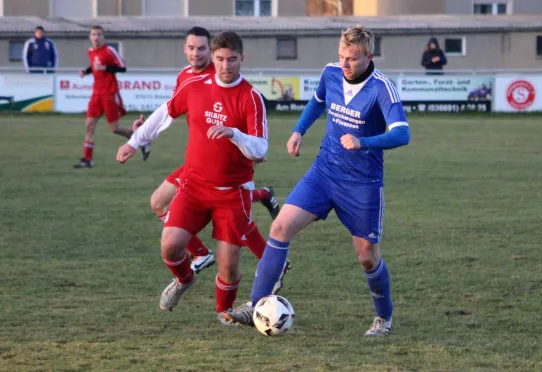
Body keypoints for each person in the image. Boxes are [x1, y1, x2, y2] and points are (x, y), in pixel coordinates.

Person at [223, 25, 411, 337]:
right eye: (341, 56)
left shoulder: (382, 89)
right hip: (323, 173)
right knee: (280, 227)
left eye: (351, 58)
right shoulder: (331, 73)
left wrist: (364, 142)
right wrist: (299, 130)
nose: (344, 64)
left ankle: (383, 318)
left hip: (361, 185)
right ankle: (255, 304)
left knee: (367, 256)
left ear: (369, 56)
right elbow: (317, 101)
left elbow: (402, 133)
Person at [117, 31, 282, 322]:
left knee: (228, 265)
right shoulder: (194, 86)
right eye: (220, 59)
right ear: (213, 58)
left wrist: (234, 133)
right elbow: (164, 114)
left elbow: (261, 147)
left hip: (233, 191)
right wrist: (134, 142)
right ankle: (184, 279)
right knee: (170, 243)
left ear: (241, 58)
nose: (225, 66)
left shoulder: (251, 98)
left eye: (232, 59)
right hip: (194, 186)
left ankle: (224, 313)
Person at [74, 25, 150, 168]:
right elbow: (94, 66)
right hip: (96, 93)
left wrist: (105, 68)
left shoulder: (109, 51)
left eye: (99, 34)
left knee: (114, 129)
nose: (96, 37)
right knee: (89, 125)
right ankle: (87, 160)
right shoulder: (90, 51)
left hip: (109, 92)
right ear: (90, 37)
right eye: (93, 34)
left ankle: (142, 140)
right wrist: (85, 71)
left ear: (103, 37)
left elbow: (122, 68)